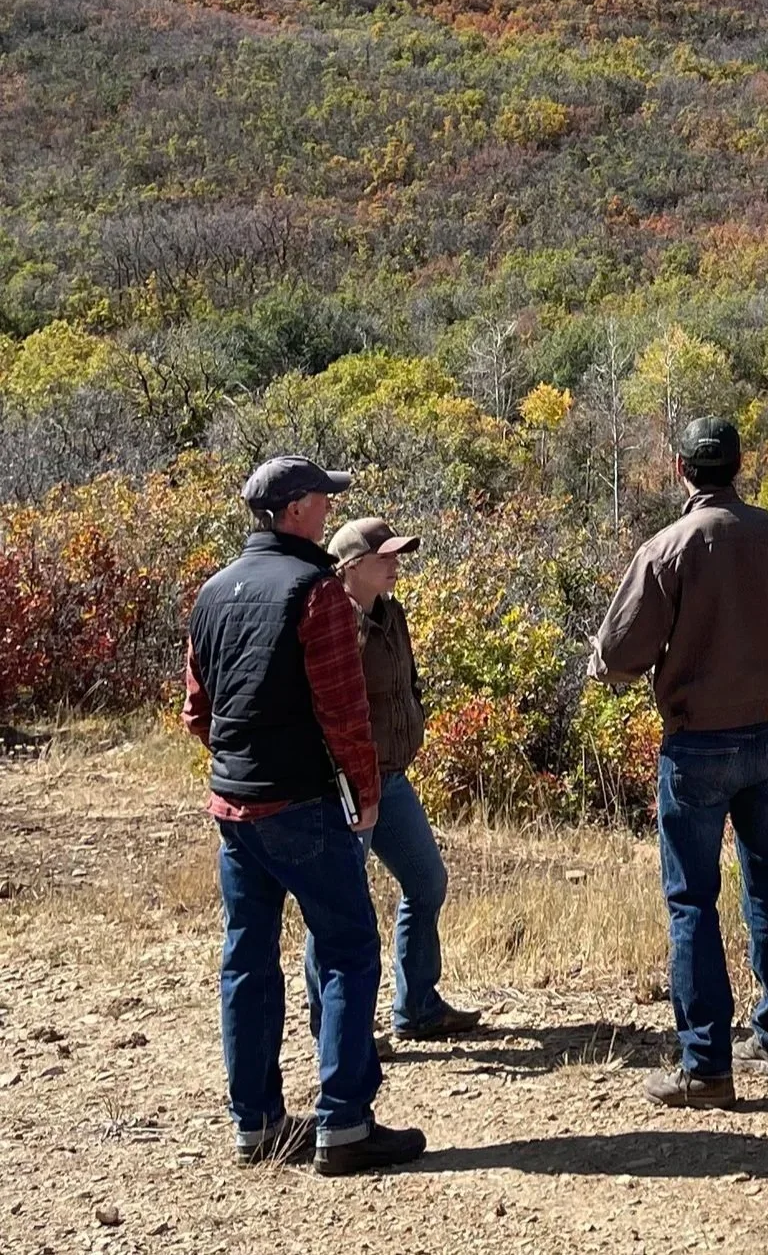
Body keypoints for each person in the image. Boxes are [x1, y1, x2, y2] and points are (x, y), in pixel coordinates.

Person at [588, 418, 768, 1107]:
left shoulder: (667, 547)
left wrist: (605, 660)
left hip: (696, 745)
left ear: (680, 467)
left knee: (692, 900)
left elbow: (619, 659)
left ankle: (706, 1066)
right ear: (740, 465)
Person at [181, 456, 426, 1176]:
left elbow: (197, 711)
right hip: (305, 803)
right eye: (322, 498)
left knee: (247, 959)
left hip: (235, 805)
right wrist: (364, 791)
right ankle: (344, 1124)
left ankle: (255, 1124)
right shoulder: (315, 591)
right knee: (349, 947)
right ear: (293, 510)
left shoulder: (213, 591)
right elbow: (344, 711)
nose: (329, 509)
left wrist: (242, 758)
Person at [295, 518, 482, 1045]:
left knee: (427, 883)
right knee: (339, 906)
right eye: (386, 557)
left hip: (392, 779)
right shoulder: (334, 620)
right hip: (349, 785)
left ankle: (417, 1007)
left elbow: (405, 686)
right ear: (352, 567)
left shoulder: (392, 614)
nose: (397, 564)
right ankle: (331, 1026)